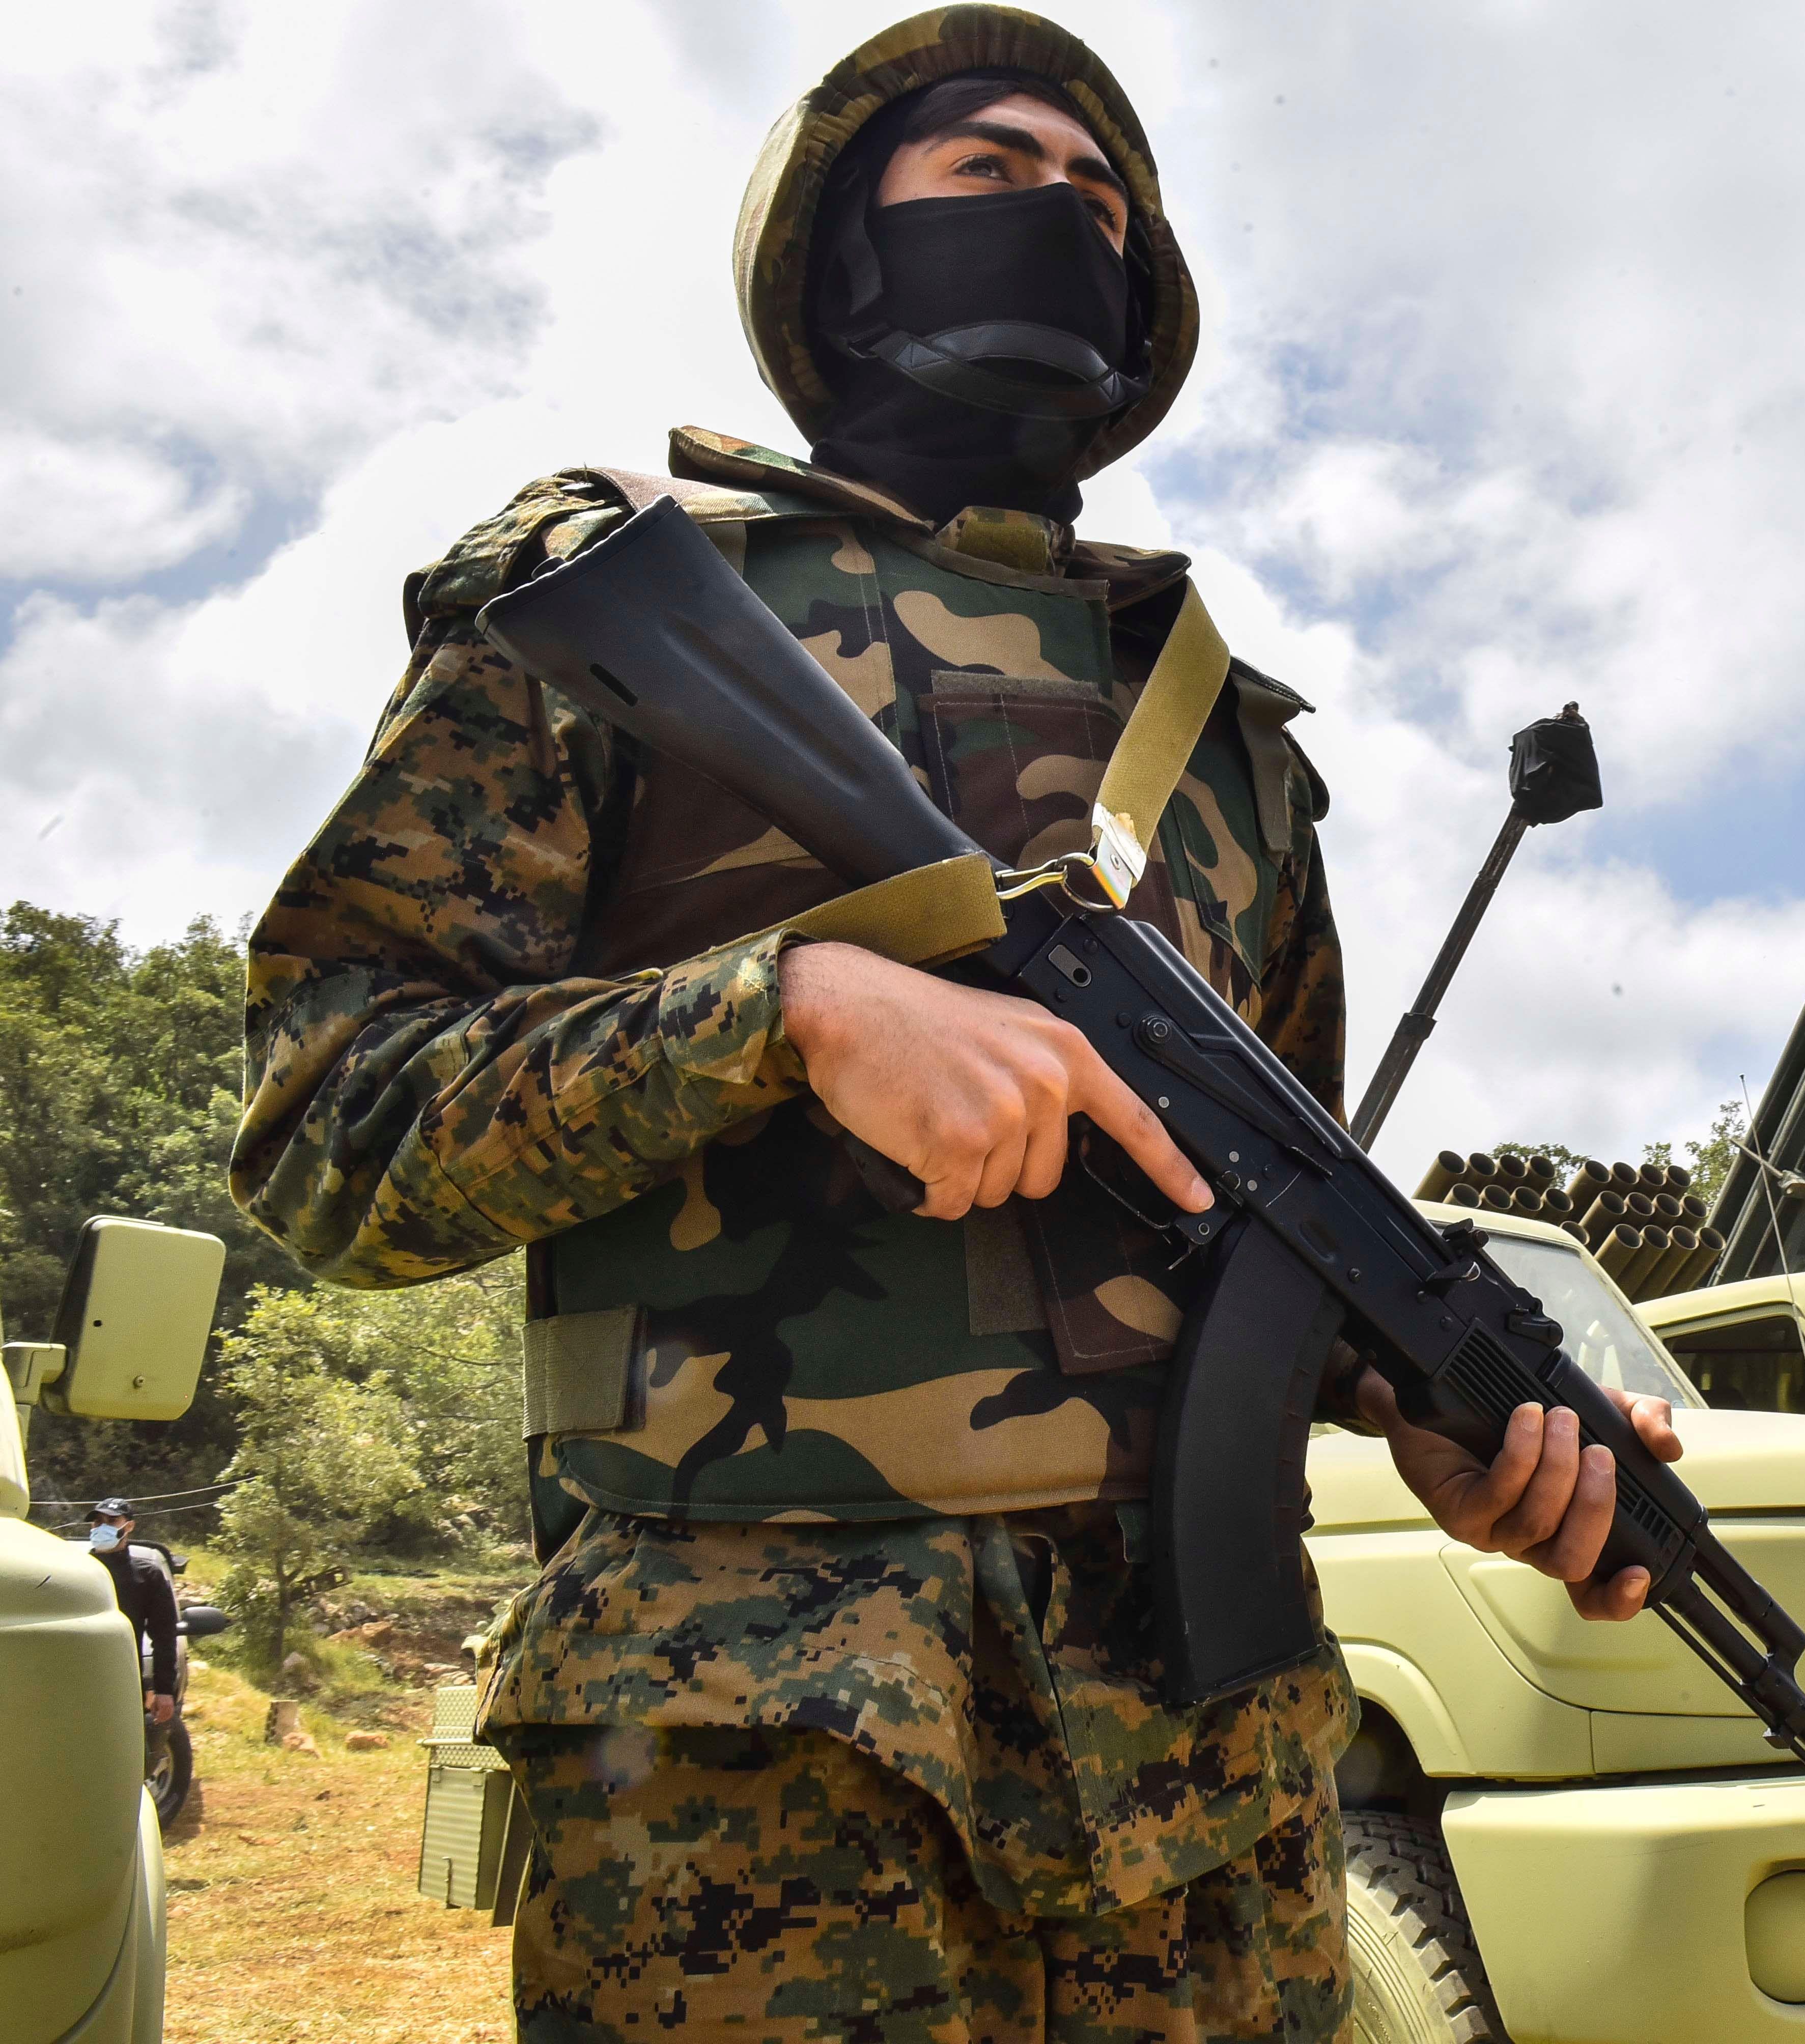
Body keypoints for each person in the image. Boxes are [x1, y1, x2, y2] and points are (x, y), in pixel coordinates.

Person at [228, 12, 1677, 2038]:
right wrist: (783, 1005)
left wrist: (1441, 1407)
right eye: (989, 173)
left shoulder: (1236, 756)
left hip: (1210, 1790)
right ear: (843, 252)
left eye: (1098, 197)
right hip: (758, 1769)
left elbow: (1266, 1206)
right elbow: (325, 1134)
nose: (1058, 212)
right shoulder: (610, 626)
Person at [84, 1499, 183, 1743]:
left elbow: (164, 1636)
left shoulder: (147, 1576)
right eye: (98, 1521)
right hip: (73, 1682)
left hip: (122, 1684)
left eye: (111, 1521)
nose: (103, 1527)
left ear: (129, 1527)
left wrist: (163, 1691)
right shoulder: (75, 1571)